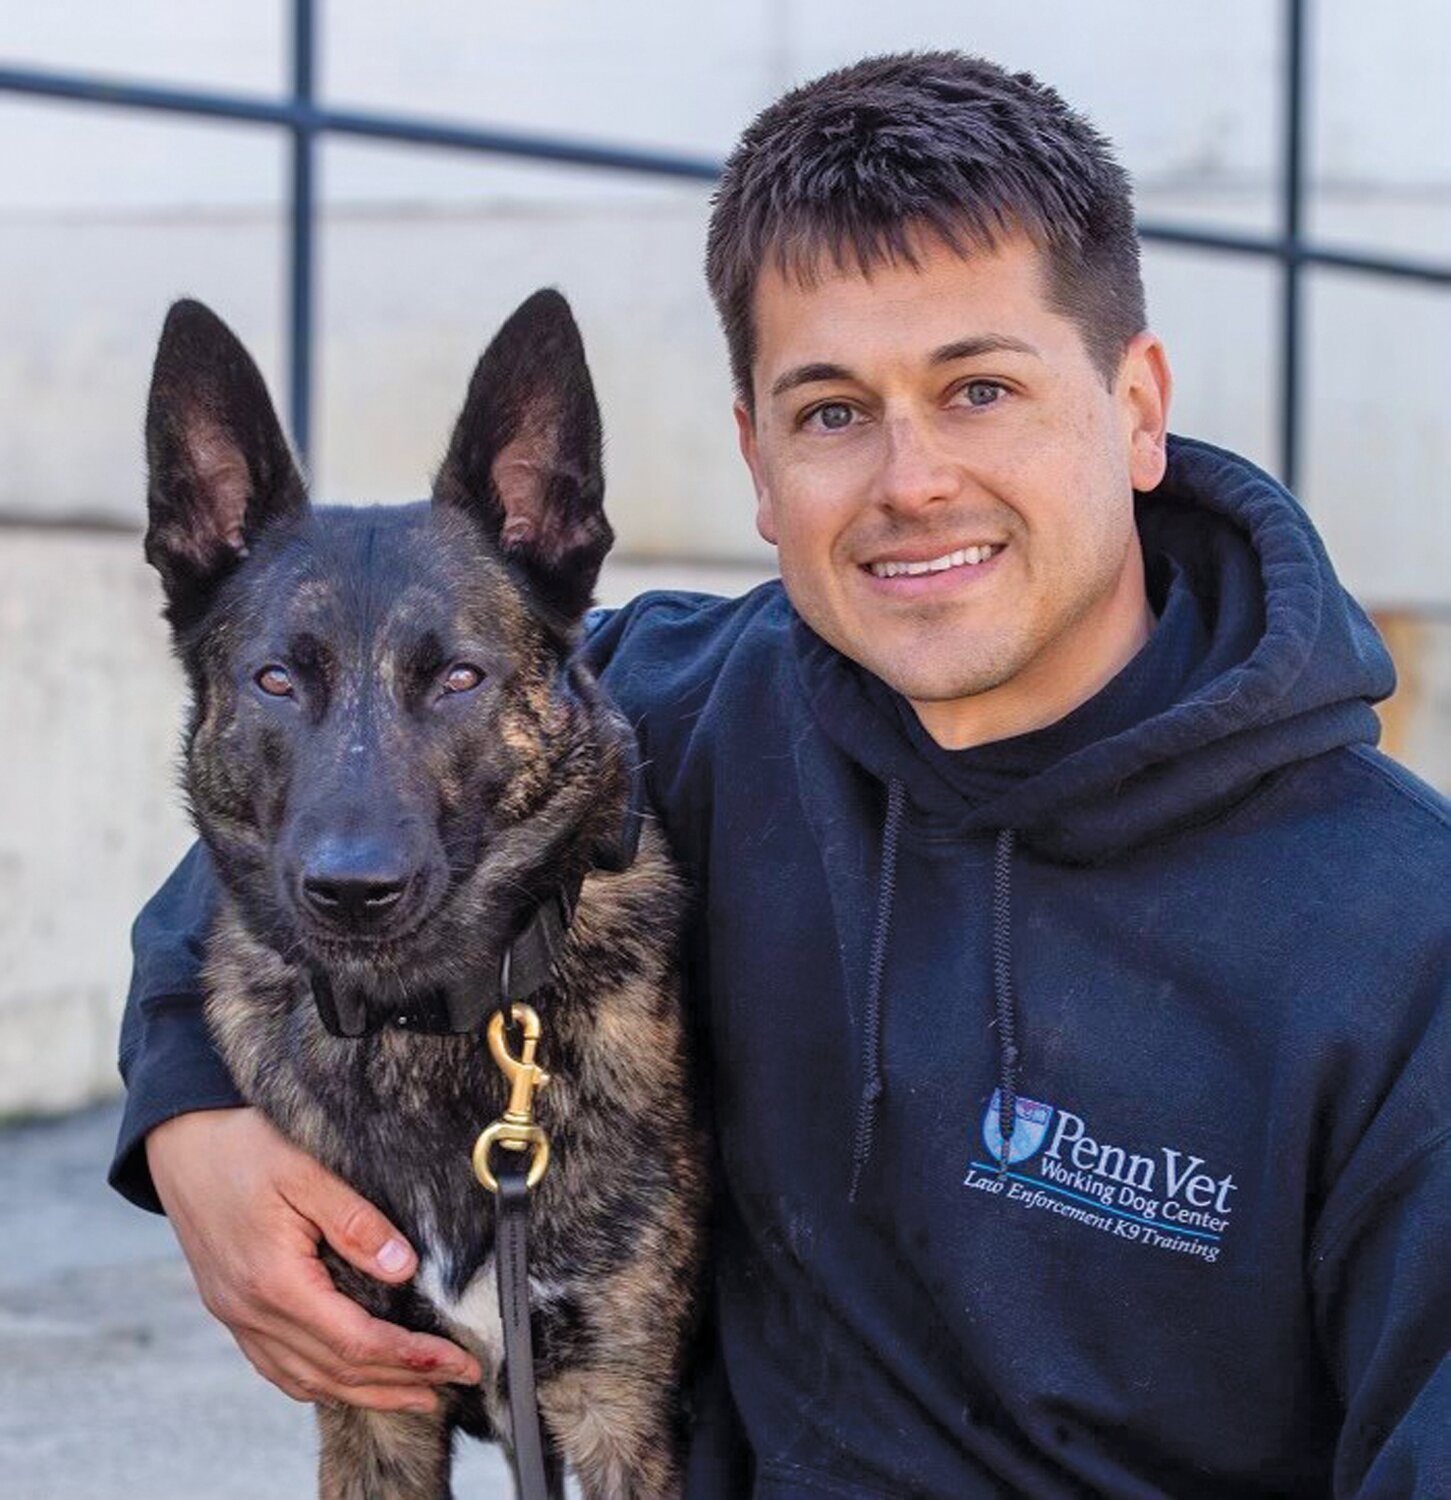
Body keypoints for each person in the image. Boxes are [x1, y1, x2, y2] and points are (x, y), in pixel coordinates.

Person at [111, 51, 1449, 1497]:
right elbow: (317, 831)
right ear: (755, 460)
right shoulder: (677, 706)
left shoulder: (1400, 942)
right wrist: (191, 1118)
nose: (911, 479)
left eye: (981, 387)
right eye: (831, 412)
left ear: (1139, 406)